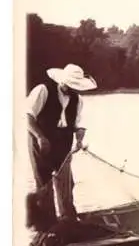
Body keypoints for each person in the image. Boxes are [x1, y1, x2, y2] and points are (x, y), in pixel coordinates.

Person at [26, 63, 97, 231]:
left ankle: (68, 220)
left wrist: (79, 136)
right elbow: (27, 116)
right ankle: (46, 225)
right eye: (71, 86)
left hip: (63, 143)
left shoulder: (77, 99)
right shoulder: (43, 90)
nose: (73, 89)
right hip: (41, 141)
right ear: (62, 82)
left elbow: (77, 123)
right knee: (44, 183)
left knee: (66, 182)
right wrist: (40, 137)